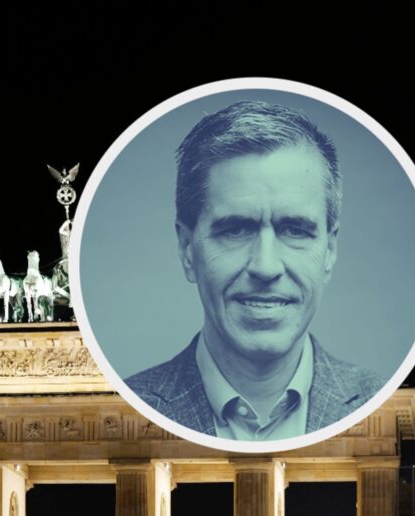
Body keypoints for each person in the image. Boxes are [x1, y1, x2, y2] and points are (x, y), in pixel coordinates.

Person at [125, 100, 384, 441]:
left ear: (330, 251)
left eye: (294, 230)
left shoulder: (382, 401)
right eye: (235, 230)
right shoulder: (129, 404)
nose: (266, 267)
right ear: (187, 249)